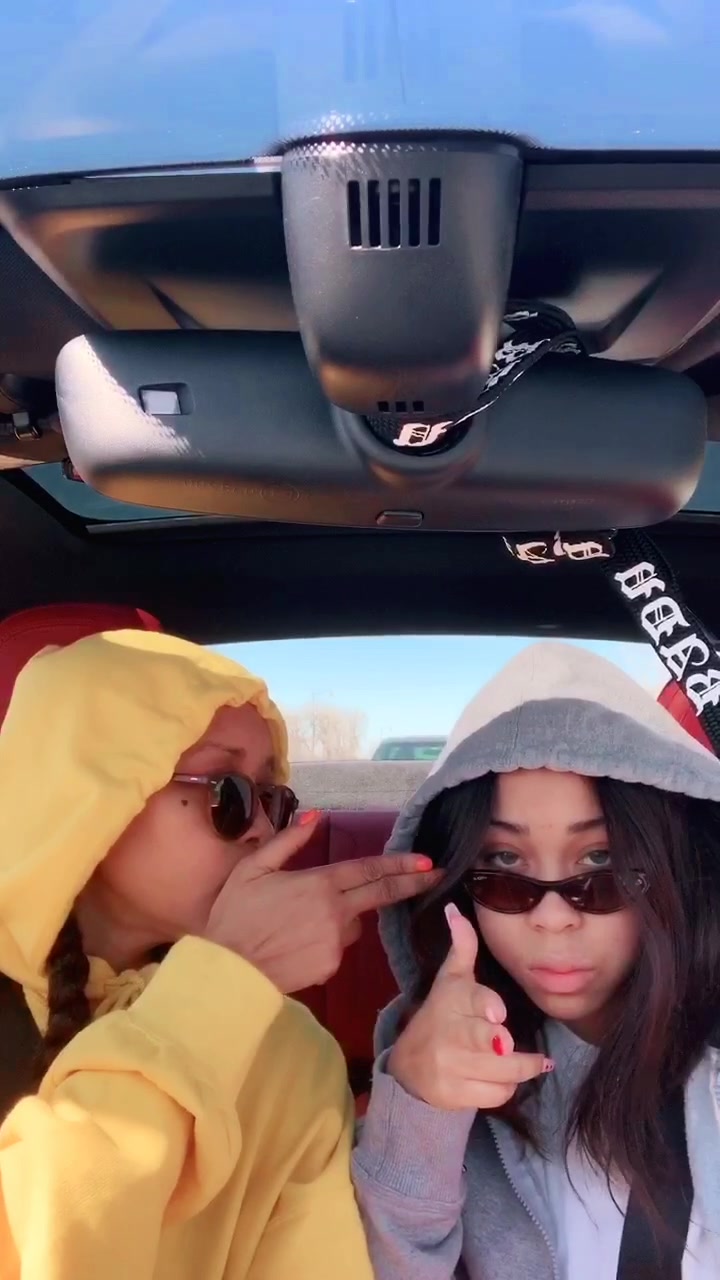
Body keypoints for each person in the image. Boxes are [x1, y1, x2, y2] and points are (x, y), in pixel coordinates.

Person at [0, 627, 438, 1280]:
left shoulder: (290, 1052)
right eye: (226, 794)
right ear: (90, 791)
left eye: (274, 799)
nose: (261, 828)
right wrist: (222, 992)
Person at [352, 640, 720, 1279]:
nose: (552, 917)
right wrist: (416, 1112)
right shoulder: (430, 1058)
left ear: (677, 870)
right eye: (503, 864)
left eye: (602, 862)